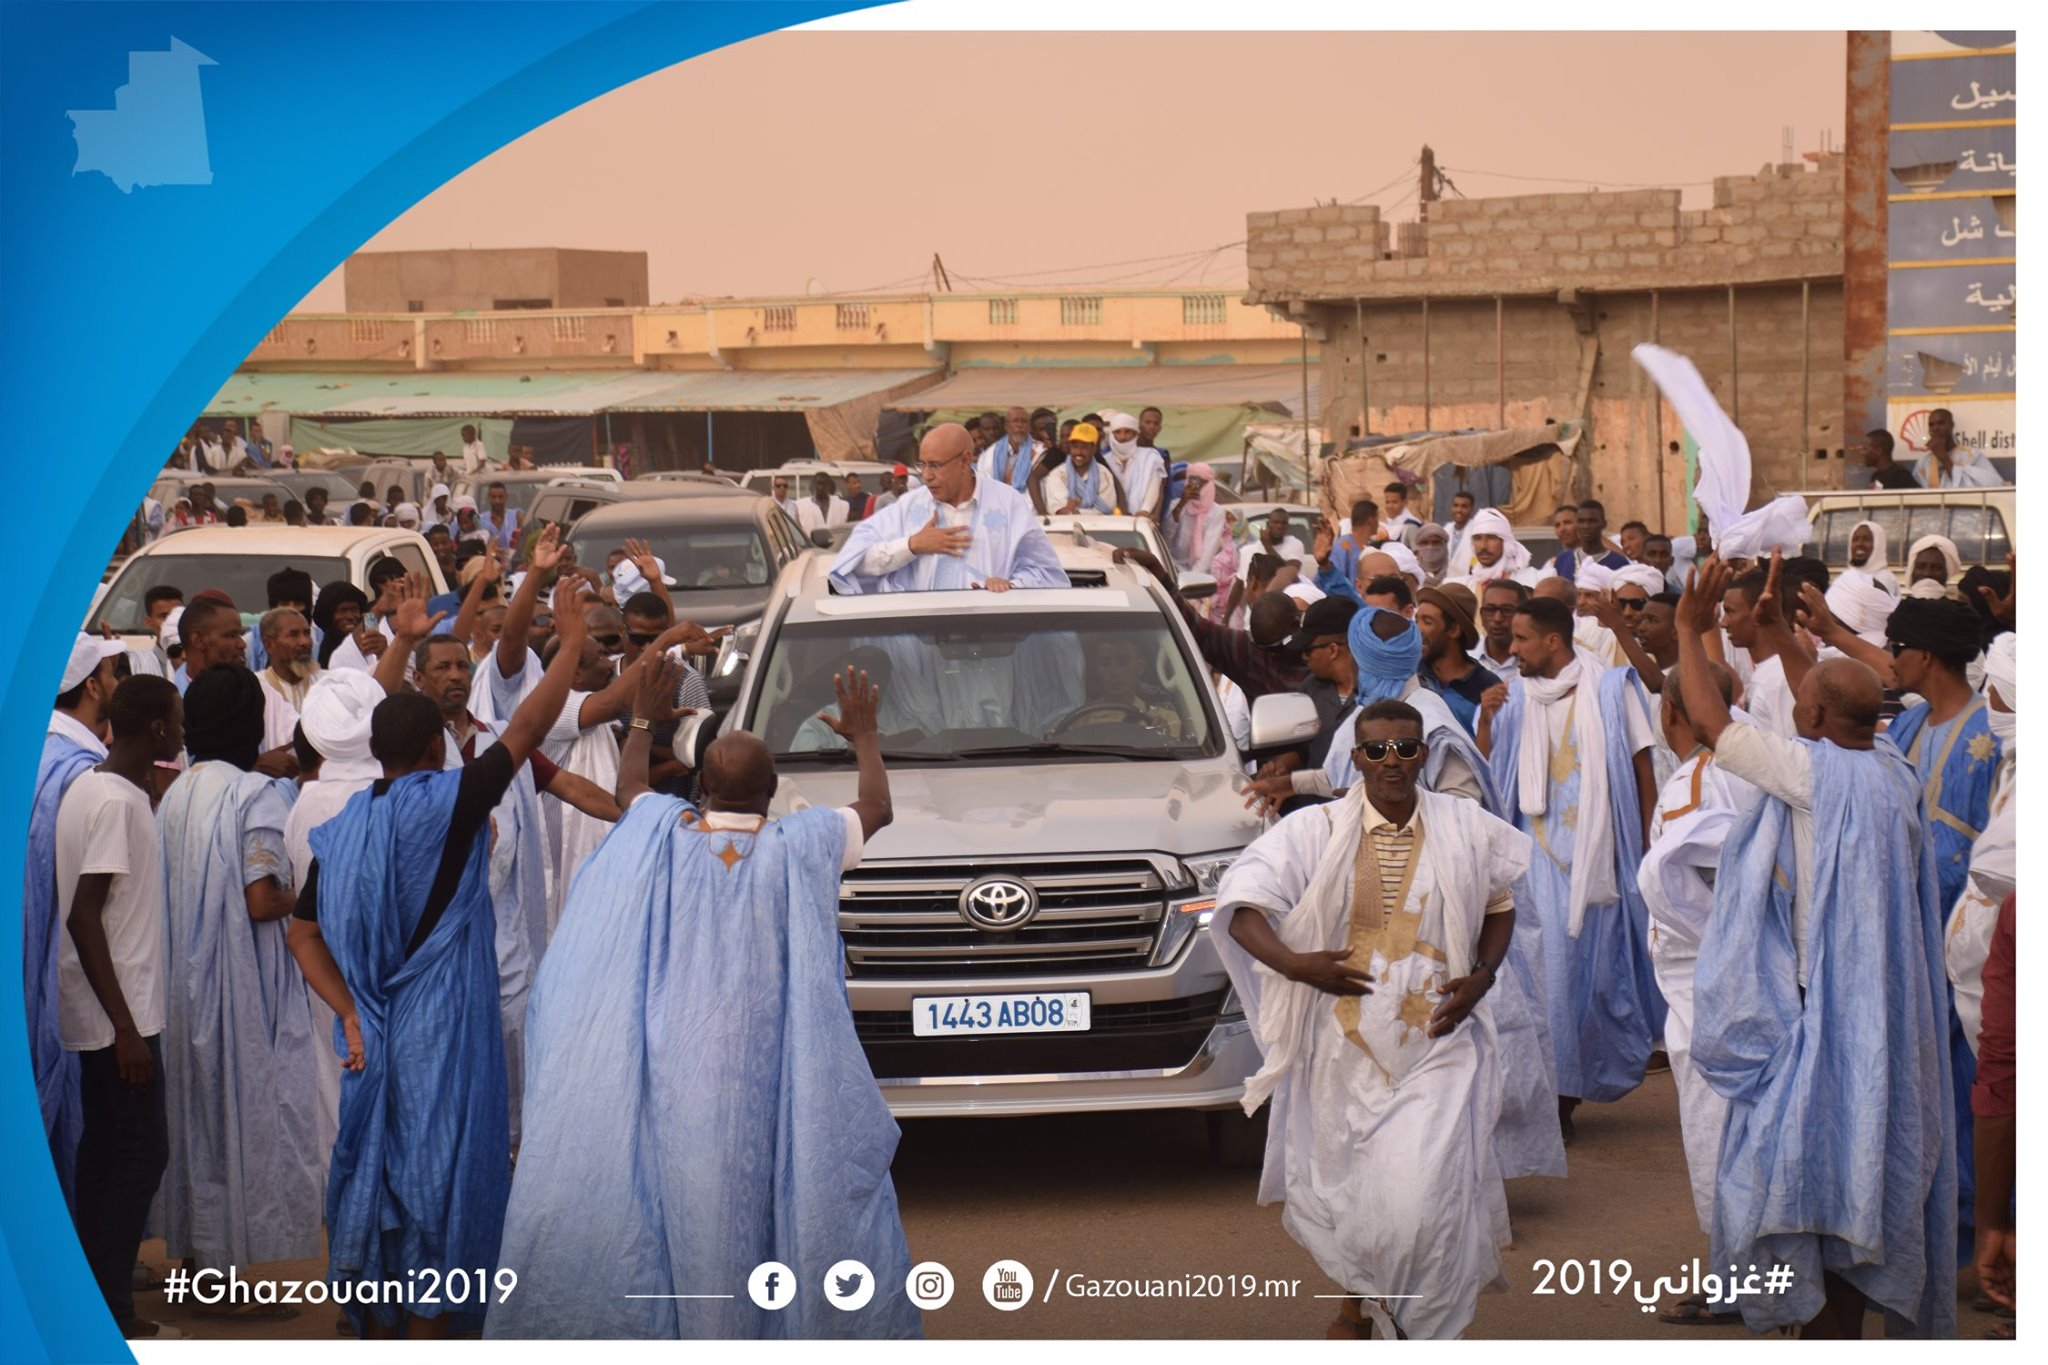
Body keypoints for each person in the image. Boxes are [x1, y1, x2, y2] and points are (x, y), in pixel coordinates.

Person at [490, 659, 913, 1339]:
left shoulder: (662, 831)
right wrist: (864, 737)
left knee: (676, 1202)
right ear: (775, 791)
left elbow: (630, 786)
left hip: (674, 1064)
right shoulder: (800, 846)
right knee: (762, 1196)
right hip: (769, 1071)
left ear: (701, 786)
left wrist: (643, 721)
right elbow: (878, 809)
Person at [285, 577, 590, 1339]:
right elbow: (526, 725)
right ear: (433, 749)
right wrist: (574, 644)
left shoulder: (348, 824)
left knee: (378, 1175)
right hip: (445, 1034)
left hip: (371, 1039)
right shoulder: (451, 802)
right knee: (442, 1180)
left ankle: (383, 1326)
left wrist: (352, 1009)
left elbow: (300, 933)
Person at [1676, 559, 1956, 1339]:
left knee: (1810, 1186)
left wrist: (1686, 630)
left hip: (1821, 1024)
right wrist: (1791, 641)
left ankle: (1827, 1334)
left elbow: (1710, 722)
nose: (1792, 703)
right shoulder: (1891, 768)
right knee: (1857, 1177)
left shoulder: (1811, 775)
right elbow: (1830, 694)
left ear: (1815, 719)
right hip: (1881, 1029)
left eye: (1801, 701)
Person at [1213, 700, 1529, 1339]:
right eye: (1378, 750)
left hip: (1440, 1037)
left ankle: (1415, 1323)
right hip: (1342, 1046)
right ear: (1355, 758)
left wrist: (1484, 976)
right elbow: (1240, 907)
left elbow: (1500, 902)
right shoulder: (1317, 830)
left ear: (1425, 754)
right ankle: (1361, 1308)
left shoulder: (1464, 824)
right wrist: (1299, 966)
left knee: (1423, 1189)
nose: (1393, 762)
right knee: (1358, 1190)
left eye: (1407, 749)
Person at [155, 664, 324, 1290]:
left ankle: (201, 1261)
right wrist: (311, 895)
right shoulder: (251, 793)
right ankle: (226, 1282)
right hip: (238, 984)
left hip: (183, 979)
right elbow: (262, 900)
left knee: (198, 1118)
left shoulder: (180, 790)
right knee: (243, 1115)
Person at [1478, 595, 1659, 1141]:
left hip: (1596, 863)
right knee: (1538, 983)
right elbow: (1491, 775)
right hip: (1531, 868)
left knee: (1583, 983)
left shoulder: (1611, 690)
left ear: (1553, 641)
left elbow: (1642, 769)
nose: (1512, 650)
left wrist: (1647, 852)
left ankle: (1567, 1092)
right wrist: (1486, 718)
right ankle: (1551, 1101)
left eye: (1521, 640)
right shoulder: (1512, 698)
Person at [57, 675, 185, 1340]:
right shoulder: (114, 801)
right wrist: (128, 1029)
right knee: (141, 1153)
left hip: (106, 1013)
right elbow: (84, 916)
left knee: (107, 1153)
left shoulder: (98, 788)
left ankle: (94, 1297)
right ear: (159, 730)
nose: (183, 728)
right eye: (178, 718)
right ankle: (111, 1310)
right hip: (121, 1019)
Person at [1635, 662, 1755, 1326]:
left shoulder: (1703, 781)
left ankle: (1739, 1280)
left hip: (1709, 980)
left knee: (1718, 1129)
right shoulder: (1739, 764)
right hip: (1717, 977)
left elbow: (1700, 869)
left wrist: (1711, 940)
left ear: (1671, 711)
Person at [28, 635, 128, 1205]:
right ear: (92, 685)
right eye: (113, 673)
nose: (116, 683)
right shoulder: (80, 771)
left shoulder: (39, 755)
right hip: (67, 971)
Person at [830, 423, 1068, 594]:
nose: (926, 476)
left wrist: (1012, 585)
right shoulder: (908, 506)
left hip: (994, 645)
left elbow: (1045, 572)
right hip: (921, 649)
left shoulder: (1007, 503)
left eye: (935, 465)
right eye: (922, 465)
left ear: (965, 461)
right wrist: (912, 545)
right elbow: (853, 562)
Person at [1415, 585, 1491, 735]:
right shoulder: (1409, 677)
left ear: (1454, 630)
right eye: (1417, 621)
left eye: (1427, 622)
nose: (1417, 629)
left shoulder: (1487, 687)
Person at [256, 607, 319, 750]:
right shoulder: (256, 688)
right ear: (269, 644)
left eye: (307, 633)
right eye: (294, 635)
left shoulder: (327, 684)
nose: (305, 642)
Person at [1446, 508, 1542, 590]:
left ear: (1505, 543)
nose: (1483, 546)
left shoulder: (1532, 581)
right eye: (1478, 538)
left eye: (1491, 538)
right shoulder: (1466, 587)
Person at [1040, 422, 1120, 515]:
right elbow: (1058, 508)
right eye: (1075, 447)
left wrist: (1077, 510)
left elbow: (1106, 508)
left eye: (1084, 447)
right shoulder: (1058, 474)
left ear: (1093, 449)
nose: (1078, 452)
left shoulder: (1104, 474)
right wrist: (1076, 508)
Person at [1913, 408, 2002, 489]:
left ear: (1951, 425)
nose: (1936, 428)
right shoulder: (1922, 463)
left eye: (1941, 423)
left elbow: (1994, 484)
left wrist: (1944, 458)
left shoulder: (1972, 454)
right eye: (1931, 425)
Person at [1102, 412, 1165, 517]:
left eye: (1127, 432)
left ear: (1135, 434)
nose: (1123, 437)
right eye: (1118, 432)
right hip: (1111, 518)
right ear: (1113, 435)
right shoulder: (1105, 460)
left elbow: (1154, 487)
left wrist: (1146, 510)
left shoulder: (1150, 457)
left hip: (1140, 518)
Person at [1552, 499, 1631, 582]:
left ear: (1604, 524)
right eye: (1581, 521)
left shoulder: (1619, 562)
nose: (1586, 526)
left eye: (1592, 521)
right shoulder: (1563, 559)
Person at [979, 405, 1042, 493]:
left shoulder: (1040, 451)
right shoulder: (990, 455)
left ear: (1029, 426)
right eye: (1015, 421)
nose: (1019, 425)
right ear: (1006, 426)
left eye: (1023, 421)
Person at [1472, 580, 1525, 679]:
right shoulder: (1466, 660)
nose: (1497, 618)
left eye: (1507, 610)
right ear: (1481, 615)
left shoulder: (1536, 664)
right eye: (1490, 610)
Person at [796, 471, 849, 535]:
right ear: (813, 485)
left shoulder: (842, 506)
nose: (821, 487)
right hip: (810, 543)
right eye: (818, 484)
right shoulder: (800, 506)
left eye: (824, 484)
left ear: (829, 486)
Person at [479, 482, 523, 552]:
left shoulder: (516, 516)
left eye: (500, 497)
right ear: (488, 497)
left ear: (506, 497)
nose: (497, 501)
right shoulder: (480, 520)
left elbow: (524, 541)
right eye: (494, 497)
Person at [1408, 522, 1452, 588]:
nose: (1430, 547)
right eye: (1425, 543)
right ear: (1419, 546)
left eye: (1436, 542)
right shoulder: (1411, 576)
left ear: (1444, 545)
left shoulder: (1456, 574)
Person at [1444, 491, 1477, 570]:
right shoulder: (1446, 529)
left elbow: (1476, 559)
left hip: (1467, 579)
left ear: (1472, 509)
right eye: (1456, 506)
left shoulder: (1476, 531)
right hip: (1445, 579)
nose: (1459, 510)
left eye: (1464, 506)